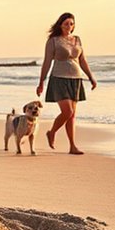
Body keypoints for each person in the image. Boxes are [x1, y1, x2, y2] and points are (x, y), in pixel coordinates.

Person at [35, 12, 97, 155]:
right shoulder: (53, 41)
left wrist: (91, 77)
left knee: (72, 115)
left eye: (71, 24)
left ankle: (72, 146)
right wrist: (41, 82)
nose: (69, 26)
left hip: (76, 79)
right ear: (60, 25)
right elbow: (47, 62)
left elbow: (82, 60)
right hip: (59, 79)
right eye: (66, 24)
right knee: (67, 112)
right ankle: (52, 132)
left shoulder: (77, 39)